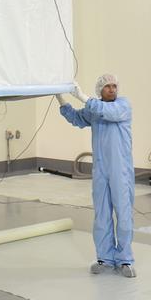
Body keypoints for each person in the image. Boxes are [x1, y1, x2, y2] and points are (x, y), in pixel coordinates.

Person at [58, 74, 136, 278]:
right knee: (101, 214)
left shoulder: (123, 105)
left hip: (121, 170)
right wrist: (61, 99)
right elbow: (77, 118)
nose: (112, 89)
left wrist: (82, 96)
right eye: (107, 86)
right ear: (99, 90)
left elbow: (107, 112)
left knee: (124, 213)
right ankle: (105, 258)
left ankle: (125, 259)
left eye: (114, 86)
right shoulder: (94, 109)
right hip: (101, 169)